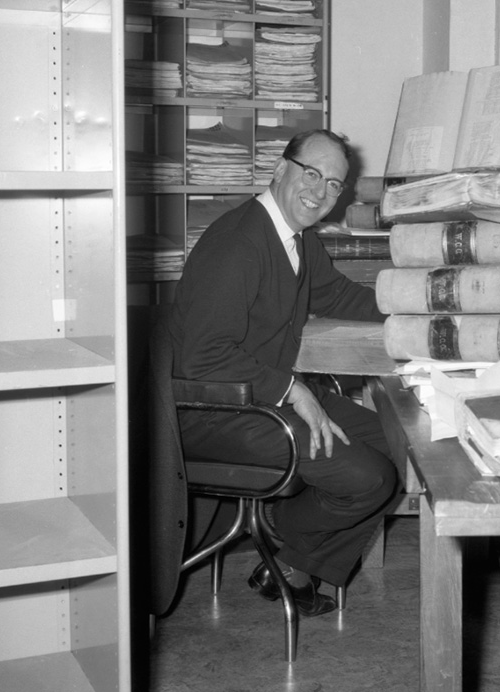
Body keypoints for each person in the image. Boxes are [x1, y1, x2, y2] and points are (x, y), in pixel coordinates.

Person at [169, 129, 398, 616]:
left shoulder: (297, 241)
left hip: (260, 397)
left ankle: (289, 559)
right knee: (369, 477)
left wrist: (417, 305)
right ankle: (286, 545)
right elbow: (201, 358)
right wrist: (293, 389)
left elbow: (339, 296)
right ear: (280, 168)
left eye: (334, 184)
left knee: (396, 443)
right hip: (216, 410)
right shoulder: (238, 244)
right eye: (311, 174)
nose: (319, 192)